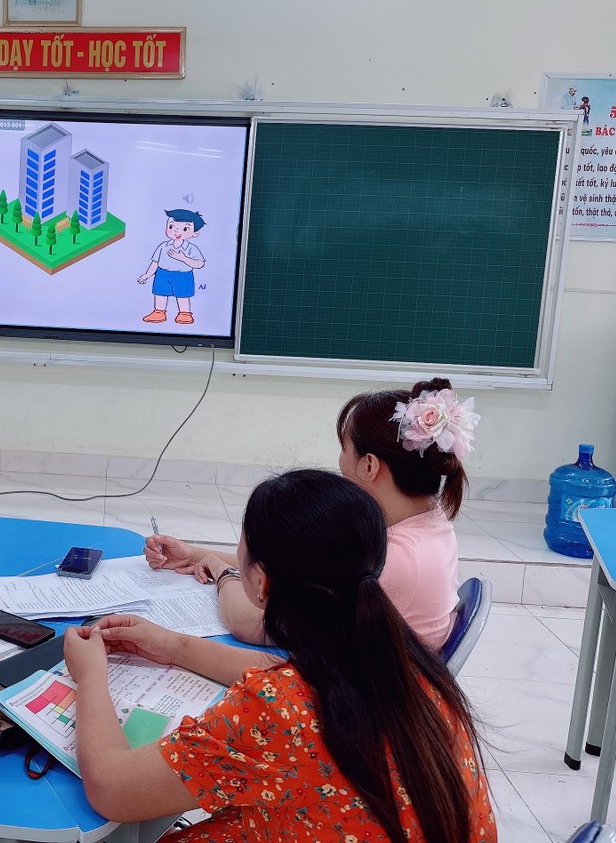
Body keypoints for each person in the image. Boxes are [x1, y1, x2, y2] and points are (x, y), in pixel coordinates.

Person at [63, 469, 497, 841]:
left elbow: (112, 788)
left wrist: (91, 675)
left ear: (261, 583)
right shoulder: (404, 660)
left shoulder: (274, 711)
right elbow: (298, 677)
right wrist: (176, 646)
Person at [146, 378, 477, 651]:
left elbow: (251, 624)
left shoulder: (393, 560)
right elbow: (296, 572)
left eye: (344, 448)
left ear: (369, 465)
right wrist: (195, 554)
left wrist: (222, 572)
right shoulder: (429, 520)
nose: (340, 461)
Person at [137, 209, 206, 325]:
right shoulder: (163, 246)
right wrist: (147, 275)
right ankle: (159, 312)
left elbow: (200, 263)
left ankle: (185, 314)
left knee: (183, 295)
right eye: (171, 227)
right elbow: (155, 262)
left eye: (185, 229)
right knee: (160, 293)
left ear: (195, 233)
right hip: (163, 274)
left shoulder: (191, 248)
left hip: (183, 275)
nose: (176, 231)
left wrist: (183, 258)